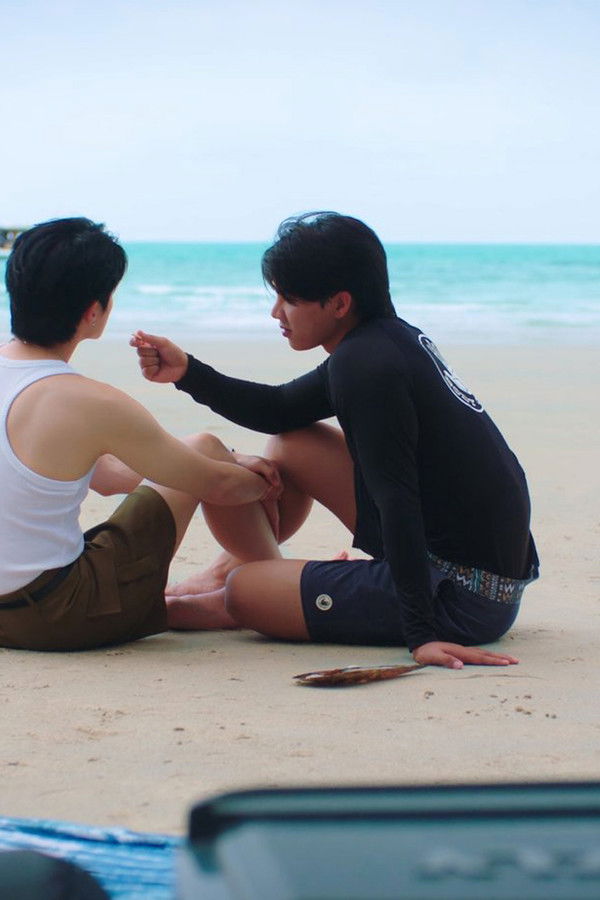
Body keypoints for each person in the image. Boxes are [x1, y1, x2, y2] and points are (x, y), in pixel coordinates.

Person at [132, 211, 540, 670]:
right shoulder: (388, 339)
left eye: (289, 299)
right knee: (291, 444)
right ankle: (266, 582)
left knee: (243, 592)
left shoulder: (366, 367)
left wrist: (421, 634)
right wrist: (187, 372)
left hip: (459, 597)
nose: (276, 312)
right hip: (469, 565)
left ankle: (223, 600)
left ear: (340, 303)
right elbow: (278, 408)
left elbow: (398, 500)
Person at [0, 217, 283, 651]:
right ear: (93, 311)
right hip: (57, 615)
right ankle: (275, 587)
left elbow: (113, 476)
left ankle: (241, 586)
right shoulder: (90, 402)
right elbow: (219, 486)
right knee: (207, 448)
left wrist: (230, 461)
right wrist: (265, 480)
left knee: (205, 451)